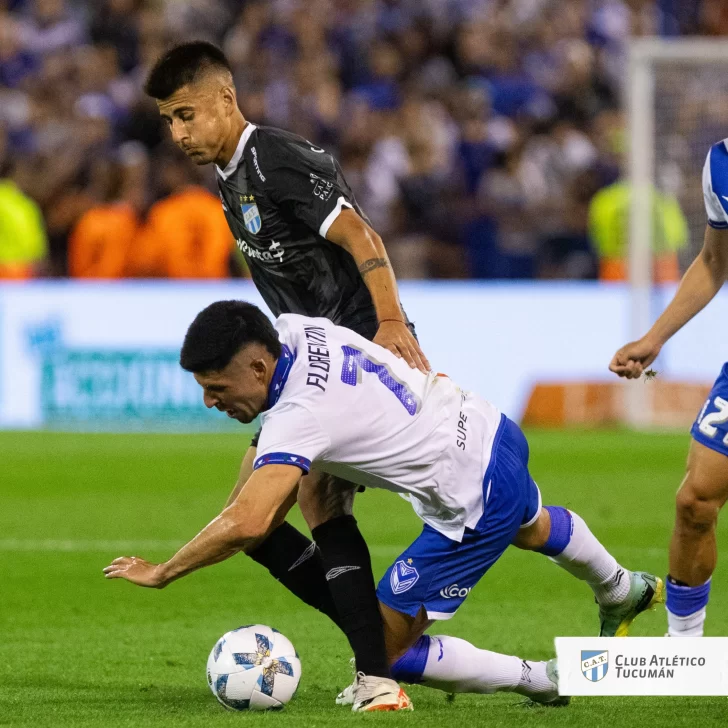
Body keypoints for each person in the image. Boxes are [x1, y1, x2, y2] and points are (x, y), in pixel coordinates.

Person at [105, 300, 664, 708]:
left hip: (470, 494)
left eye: (217, 389)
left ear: (257, 368)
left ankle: (543, 678)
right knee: (528, 524)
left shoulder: (301, 415)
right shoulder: (297, 329)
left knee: (384, 648)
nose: (210, 402)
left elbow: (250, 519)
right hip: (486, 424)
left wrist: (165, 571)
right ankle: (621, 587)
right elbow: (255, 498)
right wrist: (241, 520)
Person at [143, 41, 429, 710]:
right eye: (167, 121)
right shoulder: (229, 176)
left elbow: (360, 234)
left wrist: (391, 324)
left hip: (351, 357)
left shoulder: (275, 159)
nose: (178, 133)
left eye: (186, 115)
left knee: (303, 504)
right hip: (302, 366)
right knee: (250, 519)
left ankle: (381, 674)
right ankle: (381, 649)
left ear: (226, 99)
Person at [609, 138, 728, 637]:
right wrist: (654, 338)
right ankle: (685, 645)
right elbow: (714, 262)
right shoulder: (722, 164)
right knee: (695, 500)